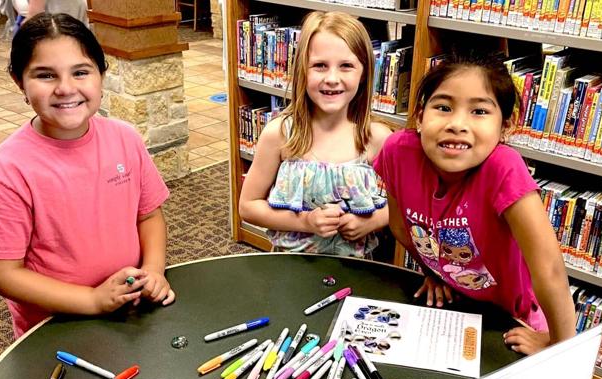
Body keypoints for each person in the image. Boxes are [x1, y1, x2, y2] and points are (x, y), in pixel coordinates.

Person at [0, 13, 174, 338]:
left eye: (81, 72)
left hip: (132, 306)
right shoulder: (7, 170)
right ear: (18, 81)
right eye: (45, 75)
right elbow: (3, 273)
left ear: (101, 75)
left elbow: (149, 216)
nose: (66, 88)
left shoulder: (126, 138)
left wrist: (153, 271)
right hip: (56, 326)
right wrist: (91, 300)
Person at [374, 53, 576, 355]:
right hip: (456, 303)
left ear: (506, 125)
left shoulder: (504, 169)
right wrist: (433, 273)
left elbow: (549, 270)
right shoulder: (397, 151)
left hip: (514, 318)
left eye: (479, 111)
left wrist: (558, 345)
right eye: (442, 107)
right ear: (419, 116)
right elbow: (400, 225)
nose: (457, 124)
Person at [239, 11, 391, 258]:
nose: (332, 78)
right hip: (291, 269)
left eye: (346, 66)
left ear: (364, 74)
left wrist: (374, 220)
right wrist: (305, 222)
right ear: (302, 70)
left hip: (356, 271)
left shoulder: (376, 138)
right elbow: (248, 206)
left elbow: (409, 204)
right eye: (320, 66)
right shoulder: (279, 134)